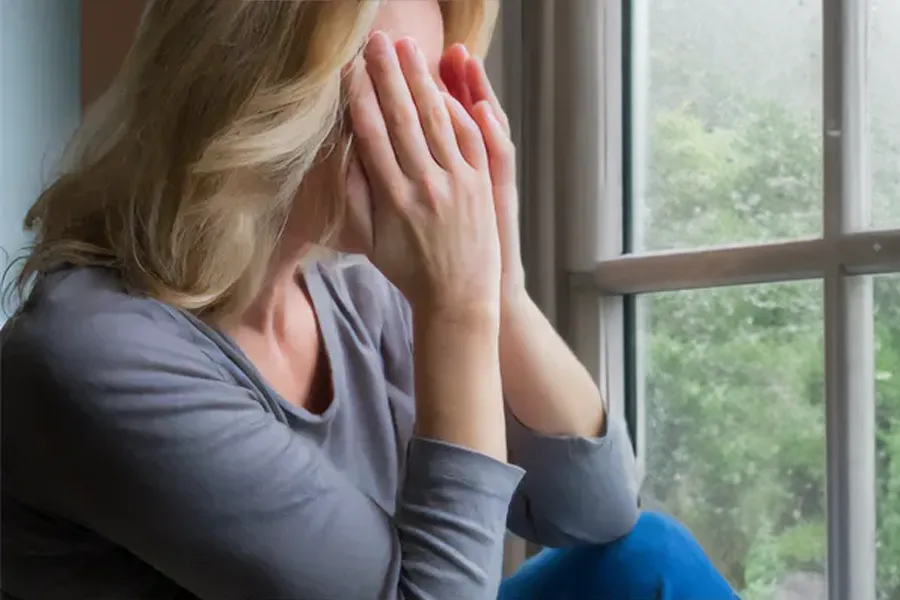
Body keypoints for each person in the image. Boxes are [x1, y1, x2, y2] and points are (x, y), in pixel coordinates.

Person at [0, 1, 738, 598]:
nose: (437, 137)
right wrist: (456, 310)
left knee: (649, 559)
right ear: (253, 100)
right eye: (393, 96)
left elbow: (596, 507)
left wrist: (499, 288)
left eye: (437, 93)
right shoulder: (91, 357)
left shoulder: (353, 295)